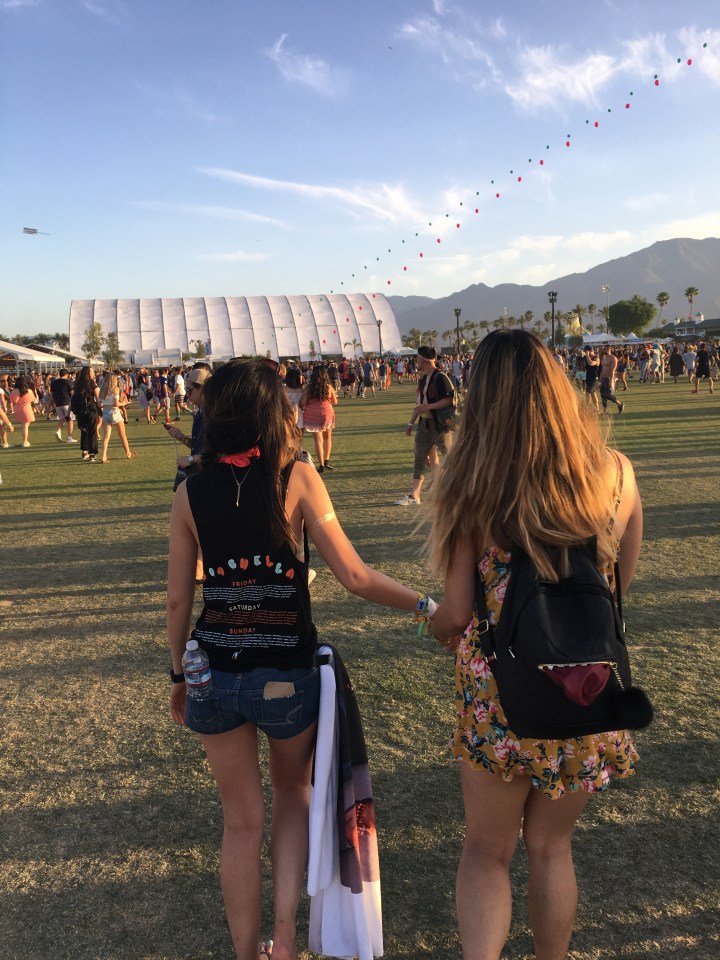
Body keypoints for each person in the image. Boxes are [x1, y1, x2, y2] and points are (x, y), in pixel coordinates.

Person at [166, 358, 433, 960]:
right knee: (292, 793)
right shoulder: (300, 478)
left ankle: (246, 952)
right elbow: (355, 576)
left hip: (213, 672)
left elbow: (179, 600)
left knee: (240, 823)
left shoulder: (188, 491)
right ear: (271, 413)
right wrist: (425, 604)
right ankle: (284, 937)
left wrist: (178, 674)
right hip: (286, 671)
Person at [427, 330, 643, 960]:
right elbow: (617, 586)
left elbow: (457, 613)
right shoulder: (616, 473)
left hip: (501, 689)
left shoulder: (473, 482)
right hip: (584, 683)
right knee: (552, 847)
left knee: (486, 849)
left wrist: (436, 627)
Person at [395, 345, 455, 505]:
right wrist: (411, 422)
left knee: (450, 458)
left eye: (417, 359)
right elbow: (420, 405)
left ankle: (457, 488)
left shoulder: (440, 377)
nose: (416, 361)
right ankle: (414, 495)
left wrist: (428, 407)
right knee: (419, 458)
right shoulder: (423, 379)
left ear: (424, 360)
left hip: (440, 426)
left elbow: (449, 399)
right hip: (424, 425)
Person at [299, 366, 337, 473]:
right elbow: (335, 402)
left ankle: (321, 465)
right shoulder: (329, 387)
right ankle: (327, 460)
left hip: (312, 414)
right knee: (327, 438)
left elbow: (303, 403)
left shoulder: (308, 388)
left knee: (318, 441)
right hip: (326, 412)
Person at [99, 372, 136, 462]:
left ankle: (103, 457)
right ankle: (128, 453)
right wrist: (124, 403)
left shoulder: (102, 390)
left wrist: (107, 405)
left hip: (106, 413)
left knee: (106, 437)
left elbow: (99, 405)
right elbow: (116, 403)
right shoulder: (115, 389)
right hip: (115, 413)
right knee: (122, 435)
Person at [72, 366, 101, 462]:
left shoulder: (77, 384)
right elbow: (98, 398)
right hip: (91, 409)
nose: (93, 373)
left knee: (84, 430)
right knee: (92, 431)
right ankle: (92, 453)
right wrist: (100, 409)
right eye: (92, 371)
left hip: (80, 410)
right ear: (89, 373)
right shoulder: (92, 383)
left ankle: (84, 451)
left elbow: (73, 397)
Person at [50, 369, 78, 444]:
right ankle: (69, 437)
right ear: (66, 374)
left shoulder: (54, 382)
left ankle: (58, 431)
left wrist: (53, 403)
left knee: (62, 419)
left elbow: (51, 395)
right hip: (66, 402)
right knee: (70, 420)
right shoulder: (67, 382)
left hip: (58, 403)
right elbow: (72, 393)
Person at [9, 375, 38, 447]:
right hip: (26, 408)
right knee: (25, 426)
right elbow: (33, 399)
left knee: (24, 425)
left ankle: (25, 441)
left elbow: (13, 401)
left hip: (17, 409)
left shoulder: (15, 391)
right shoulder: (29, 391)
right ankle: (25, 441)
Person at [599, 348, 625, 415]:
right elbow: (602, 370)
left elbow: (613, 370)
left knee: (607, 394)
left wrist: (611, 380)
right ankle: (604, 411)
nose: (603, 351)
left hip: (609, 378)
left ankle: (620, 403)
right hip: (603, 378)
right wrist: (600, 380)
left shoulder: (613, 358)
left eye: (605, 349)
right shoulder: (603, 359)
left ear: (609, 350)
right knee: (602, 395)